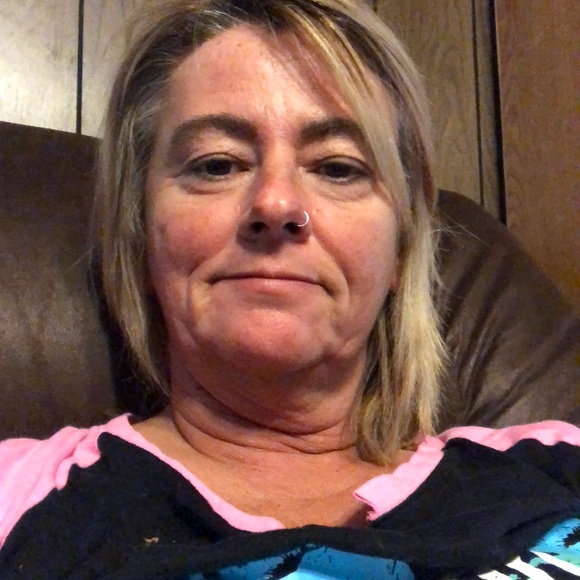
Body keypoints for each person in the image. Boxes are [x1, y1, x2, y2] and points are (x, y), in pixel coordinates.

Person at [0, 0, 578, 577]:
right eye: (216, 164)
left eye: (337, 168)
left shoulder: (554, 468)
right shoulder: (17, 495)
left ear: (401, 251)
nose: (275, 203)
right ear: (141, 236)